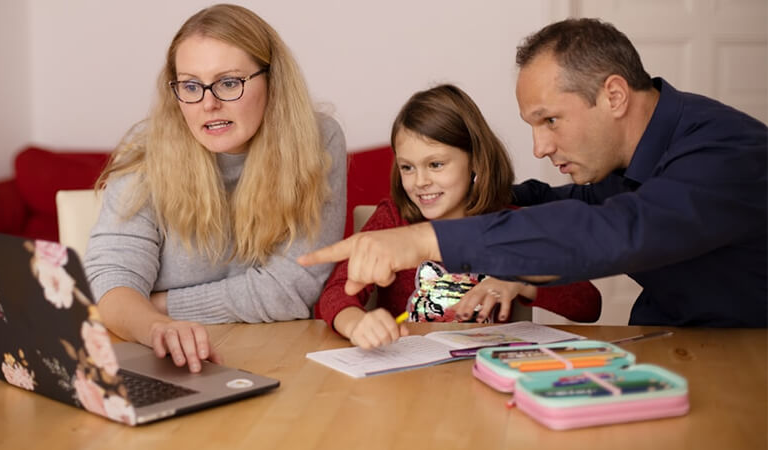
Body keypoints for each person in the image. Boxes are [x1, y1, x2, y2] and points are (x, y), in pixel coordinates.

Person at [300, 18, 767, 328]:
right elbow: (559, 204)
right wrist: (467, 202)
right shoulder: (623, 163)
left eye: (550, 120)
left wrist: (428, 239)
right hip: (669, 341)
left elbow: (619, 230)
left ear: (615, 96)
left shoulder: (727, 153)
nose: (540, 147)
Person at [85, 4, 346, 372]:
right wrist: (157, 326)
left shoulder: (317, 140)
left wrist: (156, 304)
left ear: (273, 81)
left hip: (280, 361)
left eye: (228, 82)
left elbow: (293, 290)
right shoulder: (147, 150)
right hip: (164, 362)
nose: (208, 103)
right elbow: (110, 284)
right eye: (191, 85)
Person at [314, 85, 601, 349]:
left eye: (435, 164)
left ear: (475, 161)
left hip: (485, 375)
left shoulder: (508, 226)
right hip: (407, 380)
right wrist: (357, 323)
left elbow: (588, 303)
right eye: (407, 168)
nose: (420, 181)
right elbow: (335, 294)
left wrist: (520, 280)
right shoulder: (392, 220)